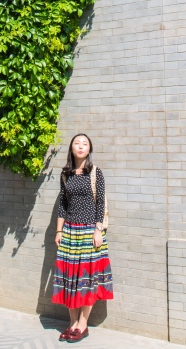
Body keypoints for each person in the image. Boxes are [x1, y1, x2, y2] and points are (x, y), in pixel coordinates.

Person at [52, 133, 113, 343]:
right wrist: (58, 231)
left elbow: (101, 204)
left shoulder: (96, 173)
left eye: (84, 144)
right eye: (77, 143)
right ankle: (71, 323)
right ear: (71, 148)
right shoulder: (65, 174)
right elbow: (63, 205)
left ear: (89, 149)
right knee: (70, 277)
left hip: (89, 231)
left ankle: (83, 324)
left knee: (87, 278)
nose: (80, 146)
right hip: (69, 231)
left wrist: (98, 230)